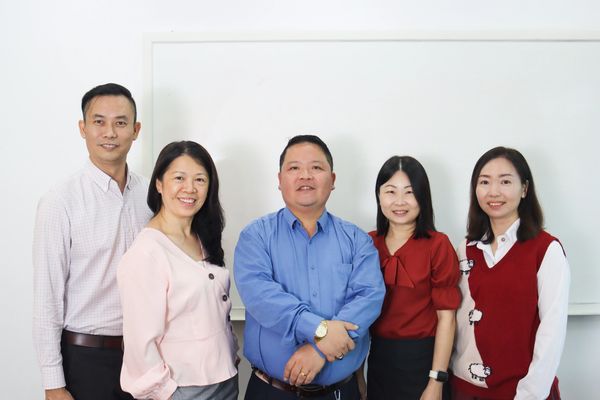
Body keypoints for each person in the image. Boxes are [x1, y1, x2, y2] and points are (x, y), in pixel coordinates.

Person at [234, 135, 385, 399]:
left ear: (332, 180)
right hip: (271, 391)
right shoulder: (256, 236)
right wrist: (320, 331)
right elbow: (261, 296)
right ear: (280, 180)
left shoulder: (357, 240)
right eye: (294, 168)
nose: (305, 175)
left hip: (339, 391)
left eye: (316, 167)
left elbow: (369, 298)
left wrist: (319, 350)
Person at [32, 83, 152, 400]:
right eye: (99, 122)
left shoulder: (151, 196)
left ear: (136, 130)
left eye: (121, 122)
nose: (110, 132)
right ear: (82, 128)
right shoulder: (60, 201)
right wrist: (53, 384)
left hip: (147, 358)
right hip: (86, 360)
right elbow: (47, 299)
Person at [117, 141, 239, 400]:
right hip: (182, 388)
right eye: (179, 178)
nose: (190, 189)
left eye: (200, 179)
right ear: (159, 184)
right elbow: (140, 343)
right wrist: (167, 393)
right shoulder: (146, 252)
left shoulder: (203, 238)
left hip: (225, 379)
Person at [450, 146, 570, 400]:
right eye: (484, 182)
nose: (494, 192)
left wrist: (529, 394)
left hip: (521, 392)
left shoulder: (545, 250)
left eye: (505, 181)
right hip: (464, 388)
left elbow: (551, 332)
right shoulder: (465, 248)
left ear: (524, 188)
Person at [359, 156, 460, 400]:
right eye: (390, 191)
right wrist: (358, 375)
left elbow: (447, 319)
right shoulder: (367, 243)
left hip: (424, 362)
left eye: (409, 192)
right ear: (379, 196)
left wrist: (436, 380)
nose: (400, 201)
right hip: (379, 360)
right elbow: (358, 315)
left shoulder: (438, 245)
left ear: (423, 197)